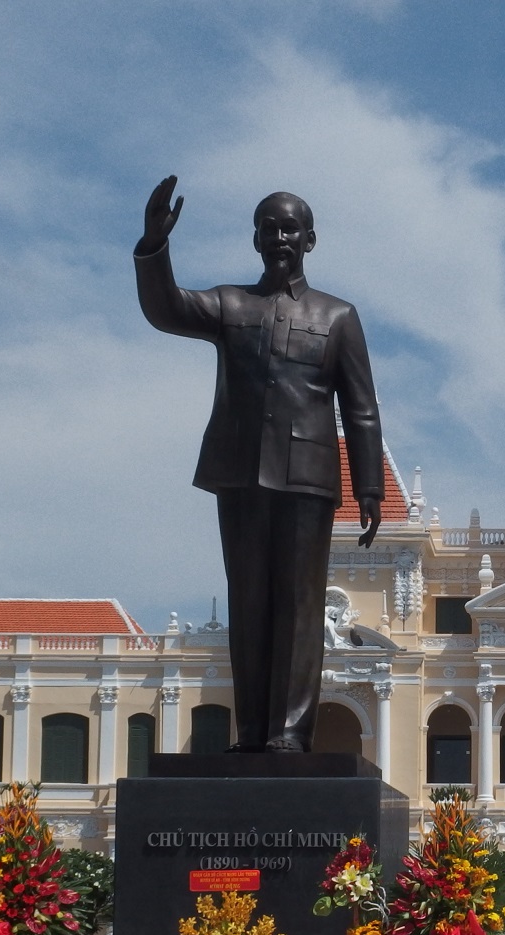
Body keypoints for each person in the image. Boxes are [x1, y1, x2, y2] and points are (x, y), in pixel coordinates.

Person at [135, 177, 385, 752]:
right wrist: (154, 247)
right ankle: (251, 733)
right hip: (240, 470)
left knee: (300, 607)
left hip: (308, 477)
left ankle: (290, 733)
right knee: (248, 603)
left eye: (290, 227)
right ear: (255, 238)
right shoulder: (230, 304)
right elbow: (166, 309)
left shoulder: (338, 315)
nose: (280, 237)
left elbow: (362, 408)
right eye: (269, 227)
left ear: (310, 239)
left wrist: (367, 486)